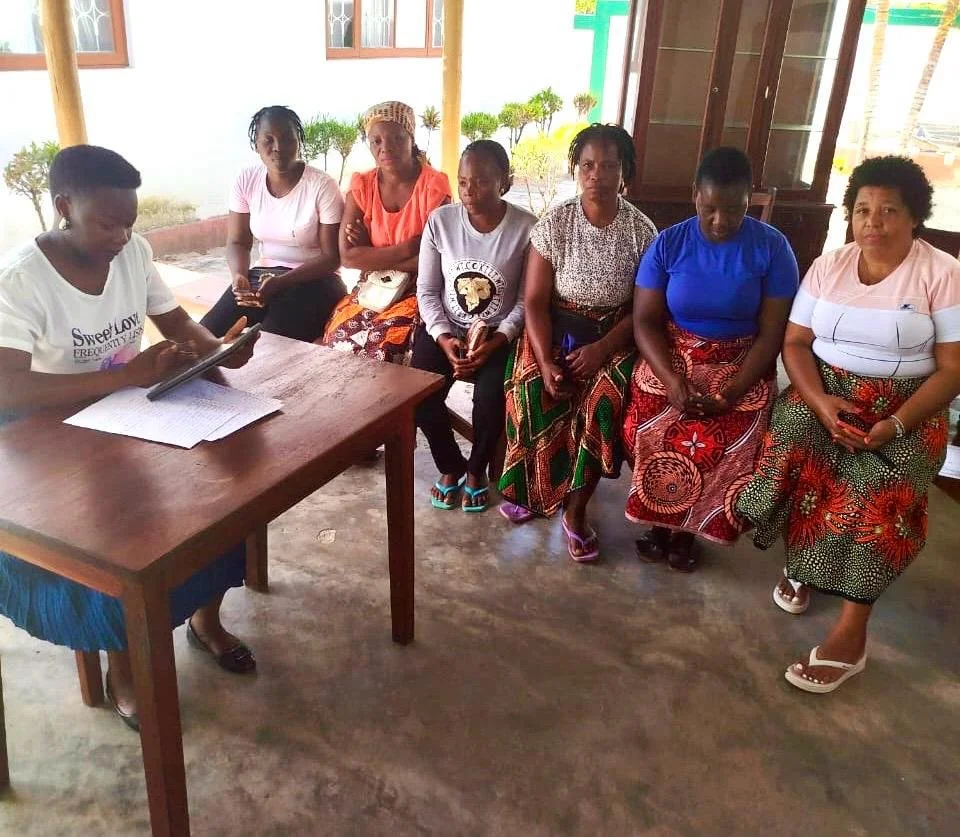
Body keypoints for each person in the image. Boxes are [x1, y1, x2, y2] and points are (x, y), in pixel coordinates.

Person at [0, 146, 259, 731]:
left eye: (130, 223)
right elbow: (7, 389)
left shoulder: (133, 252)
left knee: (224, 492)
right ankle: (125, 666)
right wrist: (124, 377)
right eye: (107, 224)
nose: (122, 237)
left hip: (130, 413)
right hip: (50, 439)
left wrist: (219, 351)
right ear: (64, 207)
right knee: (120, 538)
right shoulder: (19, 281)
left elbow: (176, 322)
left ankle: (204, 621)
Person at [736, 156, 960, 694]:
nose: (872, 222)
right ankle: (804, 566)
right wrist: (820, 404)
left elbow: (953, 369)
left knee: (873, 494)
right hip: (827, 392)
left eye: (888, 211)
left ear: (914, 217)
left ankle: (851, 636)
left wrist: (896, 424)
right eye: (862, 210)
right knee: (792, 443)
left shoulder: (942, 274)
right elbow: (795, 343)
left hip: (907, 407)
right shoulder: (829, 266)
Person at [624, 147, 798, 571]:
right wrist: (672, 382)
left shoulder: (772, 248)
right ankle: (659, 521)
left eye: (735, 210)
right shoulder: (669, 244)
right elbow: (645, 321)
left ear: (749, 201)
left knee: (739, 429)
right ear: (695, 196)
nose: (721, 220)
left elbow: (773, 331)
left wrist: (734, 389)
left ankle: (689, 532)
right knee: (647, 417)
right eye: (710, 208)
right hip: (675, 354)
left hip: (744, 358)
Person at [497, 124, 657, 561]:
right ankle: (531, 489)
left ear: (624, 172)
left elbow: (643, 311)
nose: (596, 175)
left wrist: (602, 349)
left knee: (604, 402)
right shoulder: (556, 222)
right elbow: (534, 301)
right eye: (587, 165)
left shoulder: (642, 232)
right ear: (576, 169)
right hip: (554, 328)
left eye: (608, 166)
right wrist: (547, 360)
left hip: (614, 336)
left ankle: (576, 510)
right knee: (531, 384)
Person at [413, 141, 536, 512]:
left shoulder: (526, 228)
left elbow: (525, 302)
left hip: (498, 334)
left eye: (482, 181)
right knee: (419, 395)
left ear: (504, 181)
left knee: (489, 401)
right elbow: (427, 290)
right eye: (463, 181)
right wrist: (443, 338)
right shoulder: (441, 222)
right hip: (446, 328)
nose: (469, 191)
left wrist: (496, 341)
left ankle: (477, 469)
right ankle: (450, 465)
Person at [200, 105, 346, 343]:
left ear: (298, 141)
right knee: (202, 335)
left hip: (317, 282)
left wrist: (281, 283)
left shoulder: (321, 185)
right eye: (268, 140)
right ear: (256, 144)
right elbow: (238, 242)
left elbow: (332, 258)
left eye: (287, 138)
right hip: (264, 278)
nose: (278, 147)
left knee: (268, 345)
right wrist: (239, 276)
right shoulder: (247, 179)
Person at [321, 101, 452, 362]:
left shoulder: (433, 186)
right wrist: (407, 248)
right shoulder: (362, 186)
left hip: (419, 290)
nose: (385, 147)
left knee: (386, 349)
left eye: (396, 138)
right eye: (376, 141)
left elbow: (438, 261)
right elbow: (348, 257)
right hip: (373, 288)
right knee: (337, 342)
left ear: (411, 139)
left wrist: (371, 253)